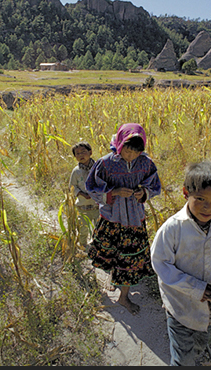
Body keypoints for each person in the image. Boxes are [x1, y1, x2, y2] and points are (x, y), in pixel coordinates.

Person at [150, 161, 211, 365]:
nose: (207, 207)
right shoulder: (173, 229)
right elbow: (161, 264)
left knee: (199, 346)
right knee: (182, 359)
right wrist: (196, 288)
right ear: (186, 193)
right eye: (200, 199)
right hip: (180, 307)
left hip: (208, 308)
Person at [85, 123, 161, 315]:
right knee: (111, 251)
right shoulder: (105, 163)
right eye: (127, 150)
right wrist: (114, 192)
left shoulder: (146, 163)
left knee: (130, 256)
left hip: (134, 219)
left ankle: (124, 296)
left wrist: (142, 192)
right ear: (119, 144)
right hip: (112, 217)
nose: (130, 156)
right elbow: (92, 188)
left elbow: (154, 185)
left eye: (135, 152)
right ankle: (114, 279)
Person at [68, 141, 99, 249]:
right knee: (83, 228)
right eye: (77, 153)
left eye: (83, 152)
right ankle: (83, 246)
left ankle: (98, 245)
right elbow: (72, 187)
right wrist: (82, 194)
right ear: (75, 157)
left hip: (97, 206)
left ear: (90, 152)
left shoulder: (98, 168)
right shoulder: (76, 172)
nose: (81, 155)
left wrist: (97, 192)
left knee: (99, 227)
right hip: (82, 206)